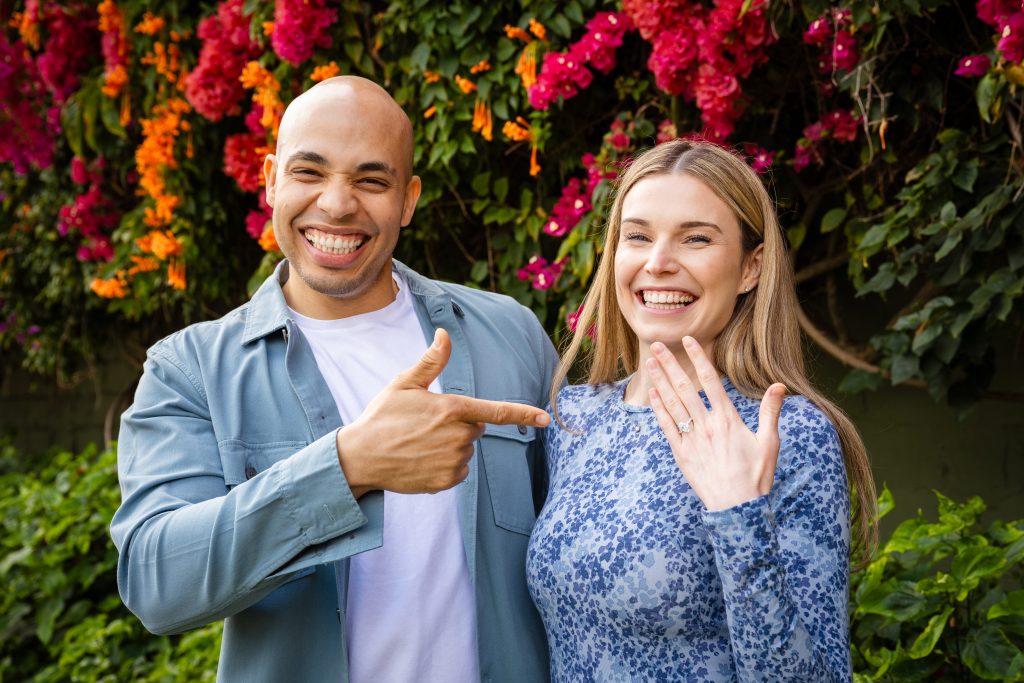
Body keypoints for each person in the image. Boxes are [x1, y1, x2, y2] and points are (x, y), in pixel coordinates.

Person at [110, 76, 556, 682]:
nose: (338, 204)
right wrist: (347, 467)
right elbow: (157, 581)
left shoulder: (511, 335)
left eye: (371, 180)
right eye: (309, 172)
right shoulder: (190, 370)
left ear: (408, 198)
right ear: (270, 180)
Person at [526, 140, 876, 682]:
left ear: (750, 268)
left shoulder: (789, 433)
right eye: (637, 236)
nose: (659, 263)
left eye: (695, 239)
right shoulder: (574, 418)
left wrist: (737, 511)